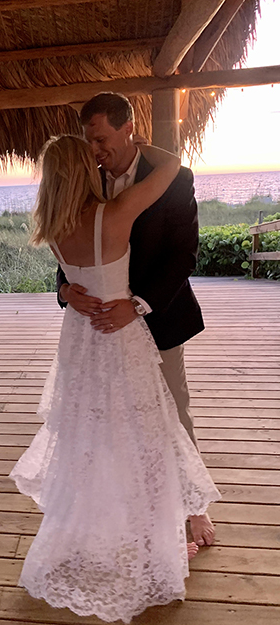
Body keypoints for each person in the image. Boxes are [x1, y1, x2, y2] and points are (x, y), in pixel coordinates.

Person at [9, 135, 220, 624]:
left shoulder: (54, 225)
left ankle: (99, 522)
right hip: (121, 338)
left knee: (91, 435)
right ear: (83, 171)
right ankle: (153, 530)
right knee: (148, 433)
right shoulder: (116, 211)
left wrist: (67, 286)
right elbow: (169, 167)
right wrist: (146, 146)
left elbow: (173, 255)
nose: (99, 154)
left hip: (83, 343)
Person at [57, 92, 215, 547]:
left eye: (102, 138)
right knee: (113, 418)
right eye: (89, 141)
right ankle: (133, 503)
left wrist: (139, 303)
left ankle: (193, 509)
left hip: (157, 316)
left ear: (129, 128)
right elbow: (67, 245)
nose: (96, 150)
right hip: (102, 328)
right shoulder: (86, 180)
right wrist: (65, 291)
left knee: (173, 411)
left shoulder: (175, 179)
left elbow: (183, 254)